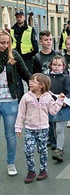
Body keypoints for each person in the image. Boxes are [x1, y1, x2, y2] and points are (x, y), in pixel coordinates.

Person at [15, 73, 65, 183]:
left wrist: (60, 101)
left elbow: (53, 111)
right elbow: (21, 113)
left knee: (42, 150)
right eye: (30, 81)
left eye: (34, 81)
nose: (30, 83)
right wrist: (18, 127)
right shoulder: (27, 97)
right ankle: (31, 171)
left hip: (43, 129)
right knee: (28, 150)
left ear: (41, 85)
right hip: (29, 128)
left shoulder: (47, 97)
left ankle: (43, 170)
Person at [0, 29, 31, 176]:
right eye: (2, 43)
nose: (5, 46)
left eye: (7, 42)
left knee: (10, 134)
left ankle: (10, 163)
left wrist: (38, 86)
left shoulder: (14, 55)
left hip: (10, 100)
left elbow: (26, 74)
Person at [47, 55, 70, 162]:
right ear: (51, 65)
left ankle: (59, 149)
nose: (57, 67)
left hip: (61, 106)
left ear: (63, 66)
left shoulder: (65, 77)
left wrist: (65, 100)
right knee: (53, 128)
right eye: (54, 65)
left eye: (59, 65)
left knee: (59, 128)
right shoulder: (47, 77)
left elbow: (68, 92)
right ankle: (59, 145)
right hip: (51, 105)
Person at [10, 11, 39, 98]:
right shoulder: (12, 29)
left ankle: (32, 95)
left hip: (27, 57)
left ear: (24, 17)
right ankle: (20, 97)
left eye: (20, 17)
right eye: (17, 17)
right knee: (17, 79)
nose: (19, 18)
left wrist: (35, 54)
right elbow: (10, 42)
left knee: (29, 78)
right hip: (16, 56)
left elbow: (34, 42)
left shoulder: (30, 29)